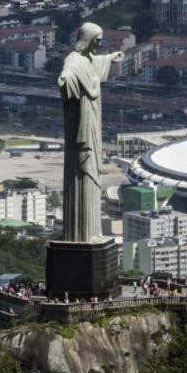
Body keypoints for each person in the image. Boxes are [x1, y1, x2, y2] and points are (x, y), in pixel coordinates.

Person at [58, 22, 124, 242]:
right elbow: (68, 72)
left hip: (93, 122)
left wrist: (110, 58)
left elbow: (93, 63)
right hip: (82, 127)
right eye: (97, 40)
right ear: (87, 38)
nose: (100, 43)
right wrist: (65, 80)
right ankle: (80, 235)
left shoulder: (87, 59)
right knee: (81, 173)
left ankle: (92, 233)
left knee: (93, 173)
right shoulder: (73, 61)